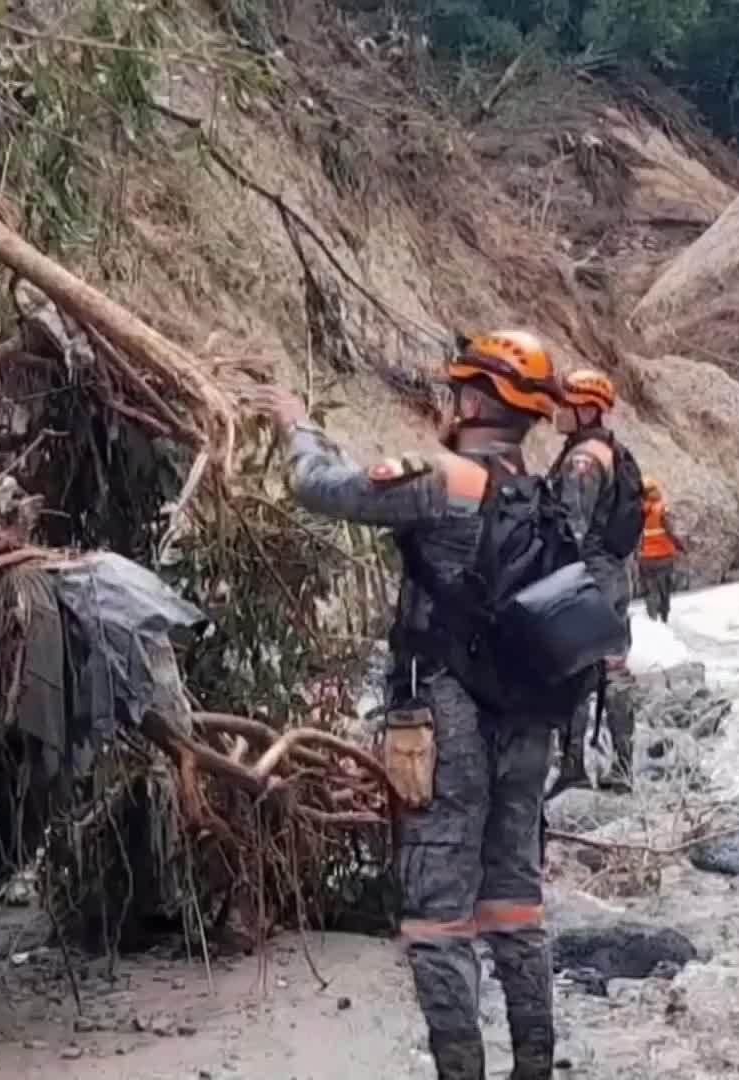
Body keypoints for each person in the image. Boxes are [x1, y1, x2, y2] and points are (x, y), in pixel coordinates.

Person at [245, 330, 570, 1080]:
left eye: (462, 388)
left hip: (445, 722)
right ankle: (535, 1068)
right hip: (527, 722)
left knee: (437, 916)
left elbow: (321, 487)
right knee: (516, 903)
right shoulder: (541, 495)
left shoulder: (439, 479)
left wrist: (297, 421)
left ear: (479, 400)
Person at [550, 368, 642, 793]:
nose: (557, 410)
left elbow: (572, 528)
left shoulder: (583, 460)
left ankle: (573, 767)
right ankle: (623, 767)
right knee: (614, 668)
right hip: (612, 576)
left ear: (586, 409)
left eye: (565, 403)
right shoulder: (614, 452)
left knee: (573, 671)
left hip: (585, 575)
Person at [637, 476, 686, 621]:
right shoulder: (662, 508)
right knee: (664, 591)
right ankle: (664, 621)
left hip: (645, 558)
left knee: (649, 591)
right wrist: (680, 546)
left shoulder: (636, 511)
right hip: (664, 556)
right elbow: (671, 531)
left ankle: (652, 619)